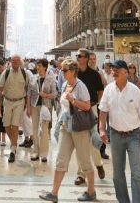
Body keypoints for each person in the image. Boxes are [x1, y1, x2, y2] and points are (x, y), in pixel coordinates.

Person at [38, 58, 98, 203]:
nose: (62, 72)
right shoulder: (65, 84)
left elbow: (87, 106)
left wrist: (73, 100)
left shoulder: (80, 86)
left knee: (84, 161)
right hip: (66, 127)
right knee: (60, 160)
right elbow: (64, 106)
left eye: (64, 70)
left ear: (72, 71)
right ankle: (54, 193)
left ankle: (91, 191)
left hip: (79, 128)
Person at [99, 60, 140, 203]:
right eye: (113, 69)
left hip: (133, 135)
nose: (113, 72)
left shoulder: (135, 90)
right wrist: (102, 129)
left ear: (125, 72)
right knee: (117, 174)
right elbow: (103, 112)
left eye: (117, 69)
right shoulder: (109, 89)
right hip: (115, 135)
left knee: (136, 172)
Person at [74, 48, 105, 185]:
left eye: (79, 56)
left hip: (91, 108)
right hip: (77, 110)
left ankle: (98, 164)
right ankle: (81, 175)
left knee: (92, 141)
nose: (77, 57)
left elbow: (100, 92)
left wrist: (95, 106)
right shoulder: (74, 74)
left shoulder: (95, 74)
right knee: (80, 142)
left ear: (85, 58)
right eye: (77, 56)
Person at [0, 54, 36, 163]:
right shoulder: (5, 73)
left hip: (20, 102)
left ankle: (13, 149)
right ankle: (14, 143)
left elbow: (28, 89)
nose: (15, 62)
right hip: (7, 102)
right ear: (10, 62)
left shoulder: (25, 74)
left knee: (15, 125)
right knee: (6, 125)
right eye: (13, 60)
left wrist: (28, 105)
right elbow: (0, 89)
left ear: (20, 62)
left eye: (17, 60)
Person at [30, 58, 58, 162]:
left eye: (40, 66)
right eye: (37, 66)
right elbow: (29, 93)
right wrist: (28, 107)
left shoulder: (51, 78)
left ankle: (44, 154)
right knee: (34, 129)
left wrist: (46, 95)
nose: (38, 67)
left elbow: (55, 94)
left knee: (45, 131)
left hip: (46, 107)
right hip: (34, 106)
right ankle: (36, 151)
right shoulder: (33, 78)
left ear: (45, 67)